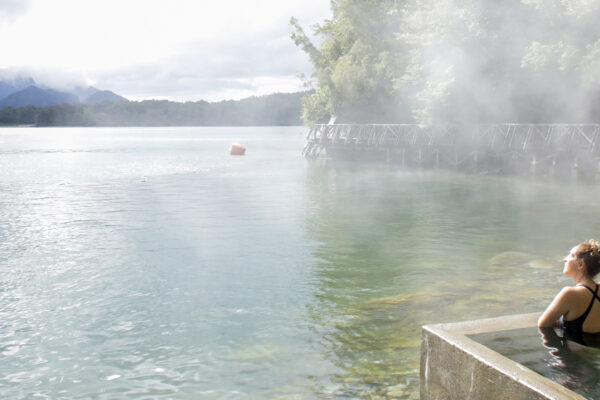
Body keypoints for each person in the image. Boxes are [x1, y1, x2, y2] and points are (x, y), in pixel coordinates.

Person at [539, 239, 600, 344]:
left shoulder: (570, 294)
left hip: (576, 355)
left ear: (580, 264)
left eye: (571, 255)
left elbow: (542, 325)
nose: (564, 259)